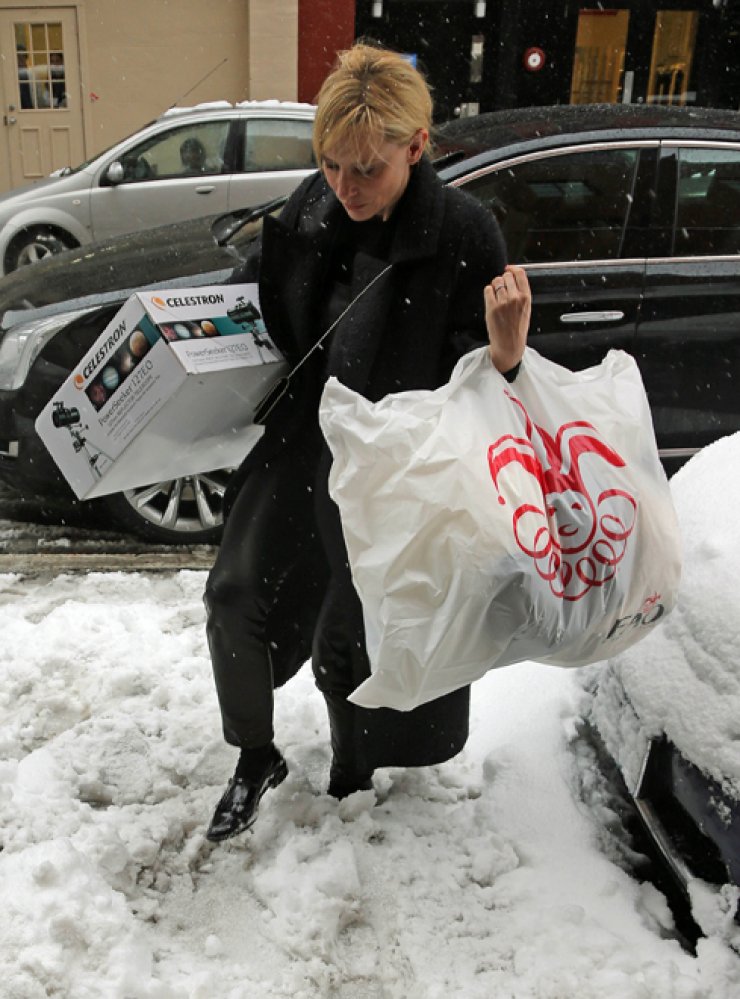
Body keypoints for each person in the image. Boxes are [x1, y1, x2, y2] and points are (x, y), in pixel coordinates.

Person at [203, 42, 531, 843]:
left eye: (366, 169)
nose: (345, 186)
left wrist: (508, 351)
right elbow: (281, 295)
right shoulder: (320, 198)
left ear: (415, 147)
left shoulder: (463, 232)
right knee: (232, 596)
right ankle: (255, 756)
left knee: (350, 639)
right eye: (332, 164)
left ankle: (354, 768)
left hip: (392, 467)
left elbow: (486, 395)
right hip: (306, 436)